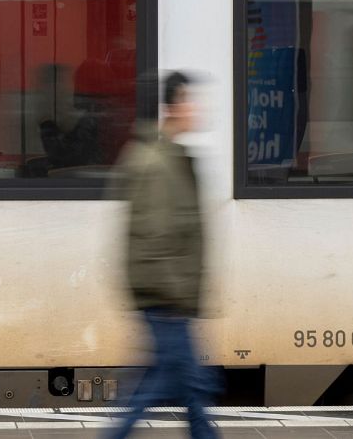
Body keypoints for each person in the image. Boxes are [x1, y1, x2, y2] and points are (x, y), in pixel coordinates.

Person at [107, 71, 220, 439]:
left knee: (186, 388)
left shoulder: (174, 159)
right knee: (182, 386)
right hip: (167, 302)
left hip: (172, 300)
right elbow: (154, 239)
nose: (196, 108)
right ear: (172, 108)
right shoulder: (158, 165)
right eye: (189, 100)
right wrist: (175, 299)